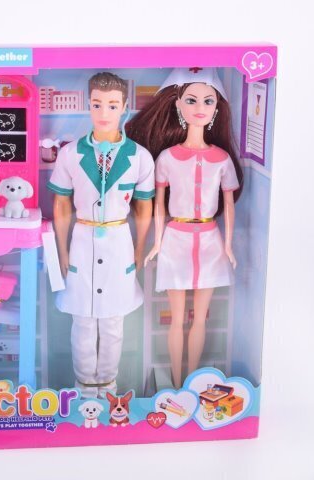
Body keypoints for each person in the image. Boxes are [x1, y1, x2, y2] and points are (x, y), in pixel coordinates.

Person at [126, 68, 243, 388]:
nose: (200, 107)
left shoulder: (222, 159)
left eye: (208, 100)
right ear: (178, 104)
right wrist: (156, 241)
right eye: (191, 100)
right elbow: (159, 205)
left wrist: (228, 245)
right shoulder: (166, 157)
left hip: (210, 240)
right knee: (176, 318)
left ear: (217, 108)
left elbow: (229, 205)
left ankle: (193, 381)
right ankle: (178, 383)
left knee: (200, 318)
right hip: (176, 239)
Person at [47, 72, 155, 398]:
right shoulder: (70, 154)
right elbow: (61, 205)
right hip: (82, 239)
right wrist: (63, 251)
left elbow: (144, 208)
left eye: (112, 105)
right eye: (97, 104)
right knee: (82, 321)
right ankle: (83, 388)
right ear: (88, 105)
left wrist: (139, 250)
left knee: (112, 323)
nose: (104, 112)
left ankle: (108, 387)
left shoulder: (139, 156)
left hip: (119, 241)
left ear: (124, 107)